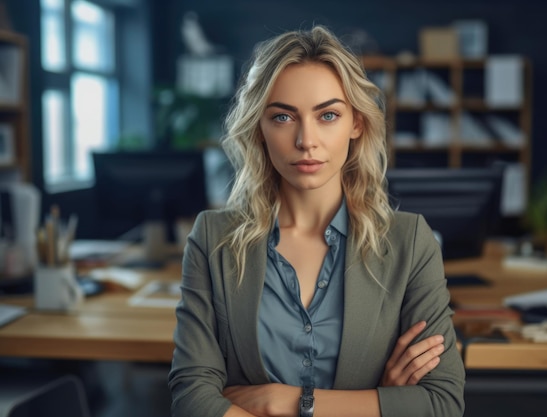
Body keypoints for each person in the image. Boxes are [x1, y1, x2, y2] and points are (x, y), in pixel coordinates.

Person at [168, 25, 465, 417]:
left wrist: (284, 402)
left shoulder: (410, 242)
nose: (306, 140)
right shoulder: (213, 239)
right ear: (260, 128)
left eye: (327, 115)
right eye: (283, 117)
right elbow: (191, 397)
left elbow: (441, 403)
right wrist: (380, 401)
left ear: (356, 123)